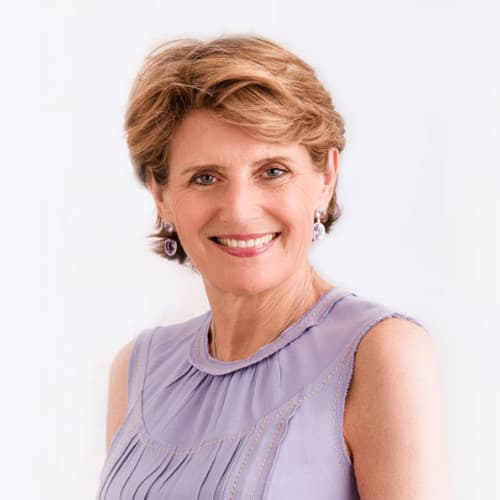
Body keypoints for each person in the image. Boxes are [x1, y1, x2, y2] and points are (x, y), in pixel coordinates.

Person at [96, 35, 451, 499]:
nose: (240, 211)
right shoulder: (137, 371)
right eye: (205, 177)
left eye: (273, 171)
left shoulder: (379, 354)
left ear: (326, 177)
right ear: (161, 196)